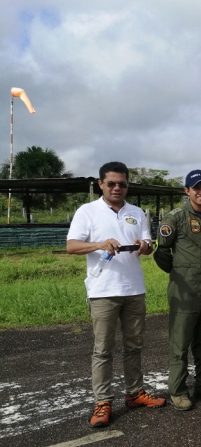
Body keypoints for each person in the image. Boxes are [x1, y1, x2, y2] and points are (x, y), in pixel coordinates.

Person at [67, 161, 165, 428]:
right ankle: (103, 401)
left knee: (134, 346)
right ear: (101, 184)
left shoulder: (136, 212)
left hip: (134, 289)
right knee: (103, 350)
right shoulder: (88, 211)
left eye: (122, 183)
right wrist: (99, 244)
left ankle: (135, 393)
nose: (117, 188)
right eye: (111, 183)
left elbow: (147, 244)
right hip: (103, 291)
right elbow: (71, 246)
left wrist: (146, 246)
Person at [153, 169, 201, 411]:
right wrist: (179, 274)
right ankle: (178, 391)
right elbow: (162, 253)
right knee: (180, 341)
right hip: (184, 290)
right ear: (187, 191)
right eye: (195, 187)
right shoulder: (174, 218)